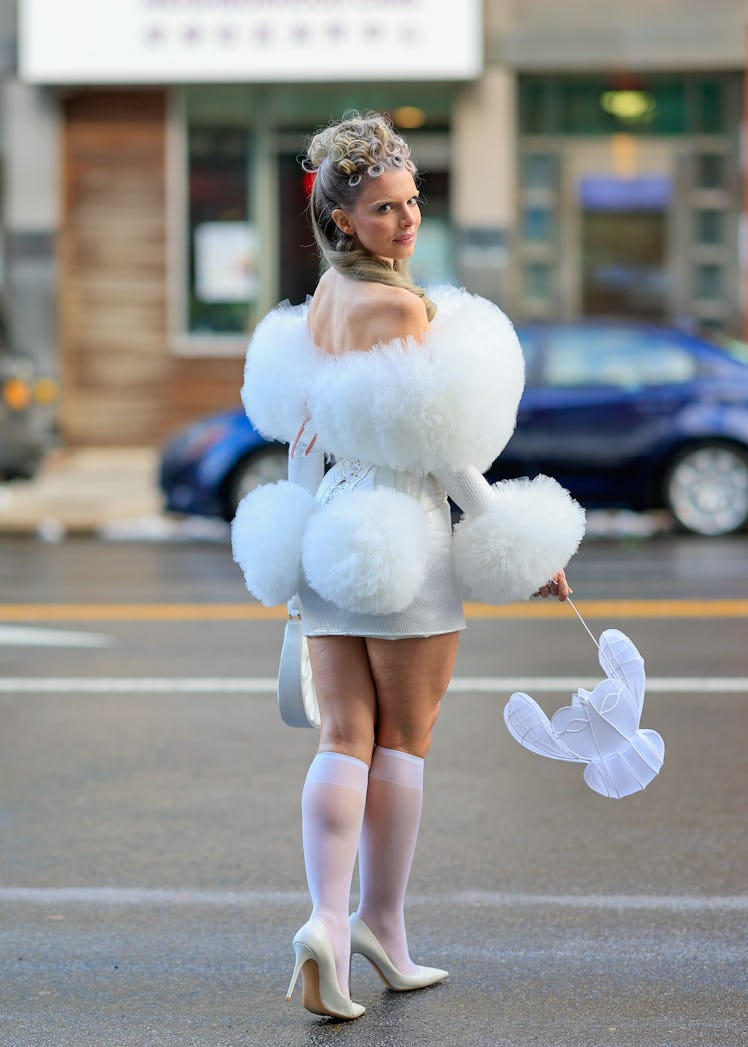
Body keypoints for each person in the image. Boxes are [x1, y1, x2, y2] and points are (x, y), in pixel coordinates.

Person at [232, 111, 585, 1021]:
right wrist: (519, 537)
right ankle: (378, 924)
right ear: (344, 218)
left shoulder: (318, 305)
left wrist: (304, 535)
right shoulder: (400, 306)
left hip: (328, 539)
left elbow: (306, 448)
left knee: (342, 735)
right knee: (404, 740)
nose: (408, 221)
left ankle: (323, 919)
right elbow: (441, 447)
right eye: (386, 209)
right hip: (406, 542)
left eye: (414, 202)